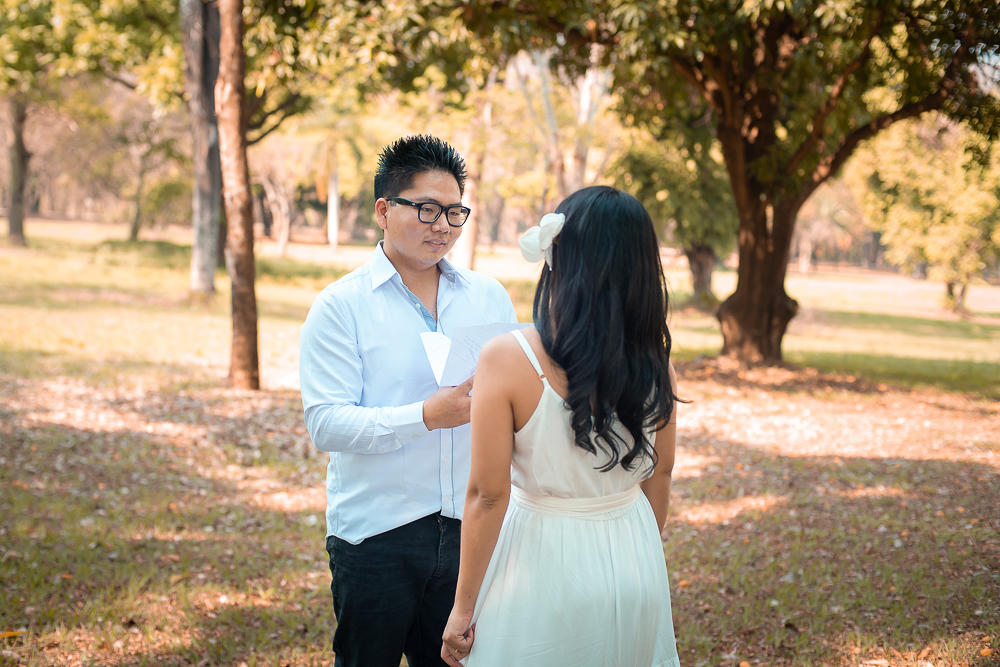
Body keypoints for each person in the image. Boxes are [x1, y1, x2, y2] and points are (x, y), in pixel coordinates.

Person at [299, 134, 518, 667]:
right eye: (426, 209)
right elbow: (326, 424)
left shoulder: (488, 296)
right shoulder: (340, 306)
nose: (442, 225)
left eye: (454, 212)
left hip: (472, 529)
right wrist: (426, 417)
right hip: (378, 532)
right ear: (383, 210)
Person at [440, 185, 681, 667]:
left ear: (560, 258)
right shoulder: (658, 365)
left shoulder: (508, 356)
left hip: (541, 560)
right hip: (635, 557)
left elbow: (488, 496)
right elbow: (660, 474)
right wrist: (637, 556)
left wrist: (462, 608)